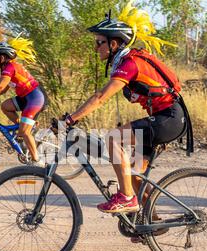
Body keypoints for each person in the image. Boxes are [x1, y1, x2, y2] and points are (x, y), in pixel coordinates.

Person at [62, 2, 193, 214]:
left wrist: (72, 118)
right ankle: (152, 224)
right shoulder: (125, 61)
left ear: (114, 43)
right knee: (131, 174)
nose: (96, 47)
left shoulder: (129, 63)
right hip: (166, 118)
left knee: (113, 137)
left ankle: (126, 198)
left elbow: (100, 97)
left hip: (168, 118)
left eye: (99, 42)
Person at [0, 38, 45, 163]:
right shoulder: (7, 68)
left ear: (2, 57)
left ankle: (37, 162)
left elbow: (0, 87)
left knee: (24, 131)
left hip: (34, 98)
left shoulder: (10, 67)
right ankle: (23, 129)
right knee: (5, 106)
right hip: (26, 97)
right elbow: (4, 90)